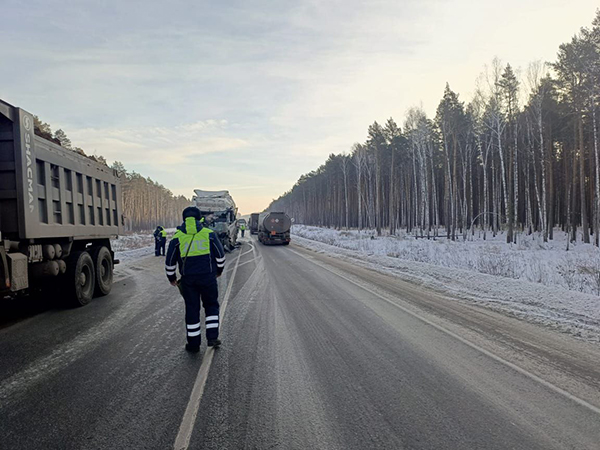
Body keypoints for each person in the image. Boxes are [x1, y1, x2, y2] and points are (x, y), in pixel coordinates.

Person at [165, 207, 226, 352]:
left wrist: (172, 278)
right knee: (211, 306)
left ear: (184, 219)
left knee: (192, 310)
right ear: (200, 219)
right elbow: (220, 257)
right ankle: (212, 338)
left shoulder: (177, 238)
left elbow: (169, 263)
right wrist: (218, 271)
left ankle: (193, 345)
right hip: (208, 278)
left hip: (188, 281)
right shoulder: (209, 234)